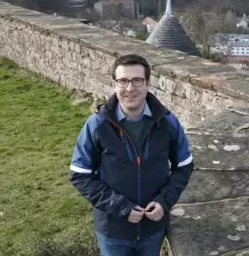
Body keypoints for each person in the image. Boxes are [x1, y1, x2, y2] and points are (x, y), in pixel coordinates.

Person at [69, 54, 194, 256]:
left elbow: (184, 165)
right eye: (123, 81)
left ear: (147, 83)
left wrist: (165, 201)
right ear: (115, 84)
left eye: (137, 80)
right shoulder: (97, 125)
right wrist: (119, 207)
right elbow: (79, 173)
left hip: (153, 229)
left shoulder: (168, 122)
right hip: (113, 229)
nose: (130, 88)